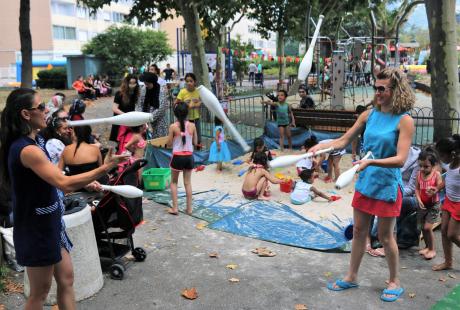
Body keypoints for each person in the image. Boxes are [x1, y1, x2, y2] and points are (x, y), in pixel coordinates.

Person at [0, 88, 127, 310]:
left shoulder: (37, 140)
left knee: (67, 280)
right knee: (39, 294)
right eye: (40, 107)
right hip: (36, 228)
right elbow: (63, 182)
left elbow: (55, 179)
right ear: (26, 114)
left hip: (51, 222)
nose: (46, 109)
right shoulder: (26, 149)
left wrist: (84, 181)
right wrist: (105, 167)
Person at [310, 68, 415, 302]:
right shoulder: (368, 115)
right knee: (358, 231)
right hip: (366, 181)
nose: (376, 93)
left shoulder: (405, 121)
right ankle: (352, 276)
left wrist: (371, 161)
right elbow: (343, 140)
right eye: (375, 88)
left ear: (395, 91)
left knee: (386, 237)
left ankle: (395, 281)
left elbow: (401, 159)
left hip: (387, 184)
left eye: (381, 88)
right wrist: (322, 146)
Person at [432, 135, 460, 271]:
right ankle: (448, 262)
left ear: (453, 154)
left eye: (442, 156)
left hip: (459, 205)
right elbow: (448, 180)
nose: (441, 159)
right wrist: (437, 188)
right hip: (449, 201)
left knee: (452, 235)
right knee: (443, 231)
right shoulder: (451, 164)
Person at [167, 102, 197, 215]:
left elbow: (169, 144)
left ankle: (175, 208)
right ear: (187, 112)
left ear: (175, 114)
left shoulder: (173, 127)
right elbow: (195, 142)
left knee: (174, 182)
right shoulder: (193, 126)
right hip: (189, 156)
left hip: (178, 156)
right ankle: (189, 209)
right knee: (187, 183)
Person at [415, 149, 443, 260]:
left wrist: (434, 190)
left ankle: (432, 249)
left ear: (433, 165)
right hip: (422, 205)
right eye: (420, 166)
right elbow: (417, 189)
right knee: (422, 227)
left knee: (427, 228)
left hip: (433, 205)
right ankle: (427, 247)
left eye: (426, 166)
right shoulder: (419, 174)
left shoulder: (436, 175)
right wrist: (419, 200)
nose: (422, 169)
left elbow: (440, 188)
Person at [60, 126, 107, 190]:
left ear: (75, 134)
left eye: (72, 131)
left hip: (77, 186)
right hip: (96, 185)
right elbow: (101, 170)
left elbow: (59, 172)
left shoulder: (66, 150)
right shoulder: (95, 149)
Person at [136, 72, 169, 139]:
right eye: (145, 83)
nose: (146, 85)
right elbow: (140, 104)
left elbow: (161, 108)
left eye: (147, 83)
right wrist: (141, 117)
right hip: (145, 120)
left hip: (159, 122)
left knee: (159, 141)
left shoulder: (161, 91)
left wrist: (149, 118)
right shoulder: (144, 89)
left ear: (152, 82)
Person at [175, 73, 202, 148]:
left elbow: (200, 102)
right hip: (185, 119)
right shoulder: (182, 92)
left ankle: (198, 153)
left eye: (191, 81)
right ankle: (186, 152)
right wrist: (184, 104)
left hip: (196, 118)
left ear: (195, 82)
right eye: (187, 81)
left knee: (198, 138)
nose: (189, 83)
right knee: (187, 137)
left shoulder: (198, 91)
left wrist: (197, 104)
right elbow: (176, 104)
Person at [110, 75, 139, 143]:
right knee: (120, 141)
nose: (132, 85)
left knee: (129, 140)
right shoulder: (119, 94)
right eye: (130, 83)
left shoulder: (135, 94)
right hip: (120, 120)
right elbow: (114, 108)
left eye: (134, 83)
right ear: (126, 83)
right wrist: (125, 115)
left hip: (130, 120)